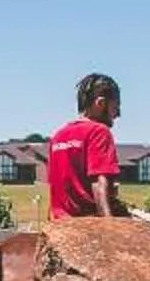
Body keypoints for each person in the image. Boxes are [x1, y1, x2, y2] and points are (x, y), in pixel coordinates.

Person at [48, 73, 128, 220]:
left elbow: (55, 188)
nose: (118, 114)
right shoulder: (99, 131)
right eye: (115, 107)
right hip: (88, 222)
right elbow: (98, 182)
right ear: (100, 103)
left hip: (58, 224)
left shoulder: (58, 136)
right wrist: (109, 224)